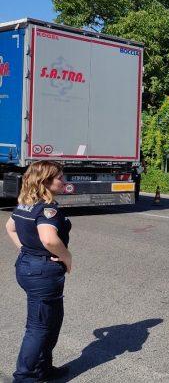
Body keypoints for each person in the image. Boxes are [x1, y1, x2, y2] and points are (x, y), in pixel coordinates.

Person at [5, 161, 73, 382]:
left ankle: (43, 369)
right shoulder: (47, 209)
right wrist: (67, 258)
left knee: (51, 322)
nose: (64, 181)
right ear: (45, 181)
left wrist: (25, 250)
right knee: (39, 327)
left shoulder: (25, 204)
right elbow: (48, 238)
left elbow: (10, 227)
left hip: (29, 267)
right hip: (42, 272)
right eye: (60, 178)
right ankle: (24, 377)